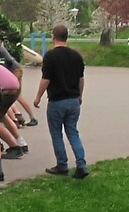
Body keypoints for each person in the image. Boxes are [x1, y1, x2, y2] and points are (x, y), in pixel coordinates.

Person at [33, 24, 88, 179]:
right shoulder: (76, 56)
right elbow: (81, 79)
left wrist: (38, 96)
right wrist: (80, 95)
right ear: (66, 37)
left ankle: (62, 165)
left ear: (53, 37)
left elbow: (46, 80)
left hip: (57, 101)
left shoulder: (50, 56)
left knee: (56, 134)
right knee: (72, 132)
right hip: (73, 100)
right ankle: (81, 164)